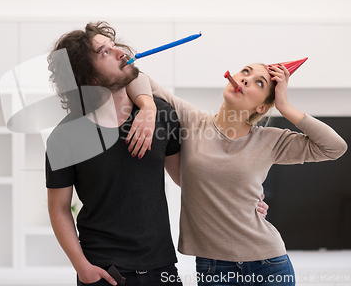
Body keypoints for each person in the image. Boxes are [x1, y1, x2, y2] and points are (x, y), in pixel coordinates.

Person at [45, 21, 270, 286]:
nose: (121, 53)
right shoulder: (65, 137)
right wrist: (82, 267)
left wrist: (241, 202)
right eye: (104, 52)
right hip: (104, 271)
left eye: (114, 45)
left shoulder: (161, 114)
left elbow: (187, 181)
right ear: (89, 77)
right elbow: (59, 209)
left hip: (161, 267)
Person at [126, 62, 347, 286]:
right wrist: (147, 107)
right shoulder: (193, 121)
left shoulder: (270, 140)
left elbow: (334, 147)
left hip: (268, 264)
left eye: (259, 83)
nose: (245, 79)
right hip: (214, 267)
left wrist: (284, 106)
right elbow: (134, 75)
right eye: (245, 72)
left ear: (262, 107)